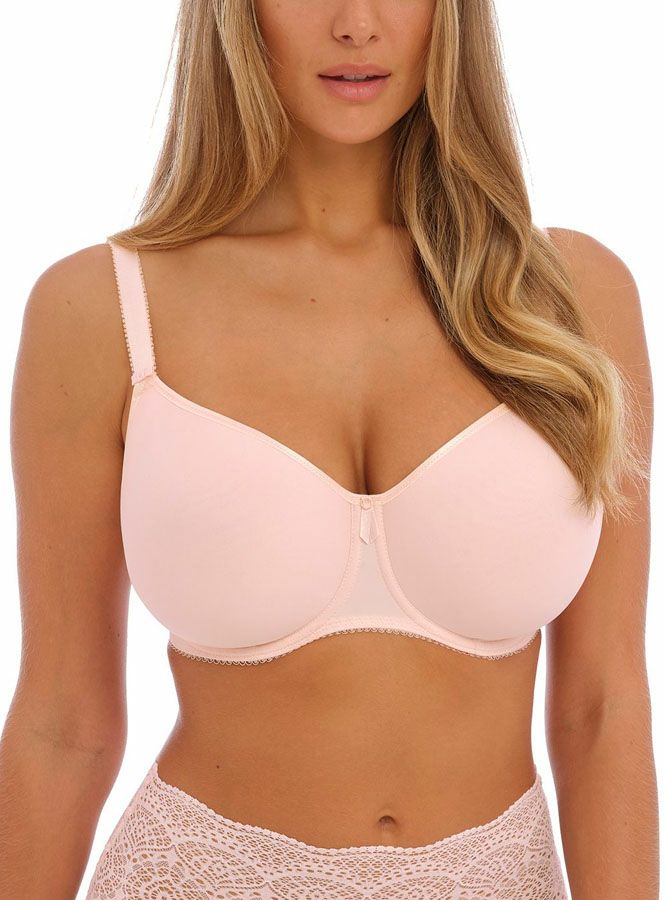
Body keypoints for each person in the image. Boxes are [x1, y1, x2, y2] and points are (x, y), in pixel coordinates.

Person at [0, 0, 658, 897]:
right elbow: (62, 723)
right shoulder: (101, 310)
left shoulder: (572, 298)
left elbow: (601, 708)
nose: (356, 24)